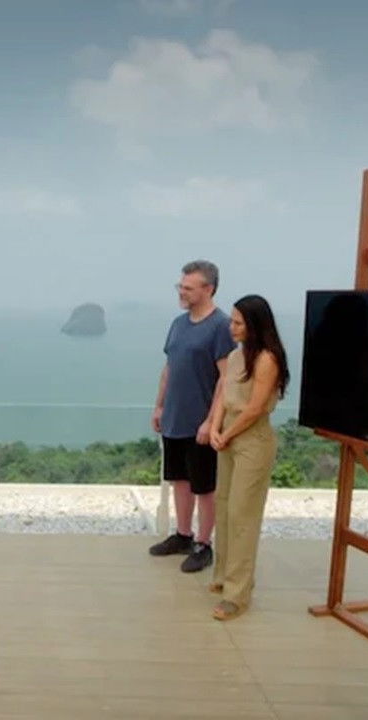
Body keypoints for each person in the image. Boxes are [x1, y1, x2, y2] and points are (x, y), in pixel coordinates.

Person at [149, 260, 235, 573]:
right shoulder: (178, 324)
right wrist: (159, 406)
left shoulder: (221, 326)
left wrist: (211, 421)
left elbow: (226, 378)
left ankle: (203, 543)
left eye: (188, 288)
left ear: (208, 289)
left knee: (204, 486)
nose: (181, 292)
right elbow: (170, 367)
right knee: (179, 480)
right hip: (175, 417)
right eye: (180, 286)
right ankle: (183, 535)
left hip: (202, 422)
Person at [207, 294, 288, 621]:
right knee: (224, 506)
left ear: (255, 324)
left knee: (243, 514)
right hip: (228, 433)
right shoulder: (235, 356)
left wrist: (227, 434)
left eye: (238, 322)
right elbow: (223, 396)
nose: (232, 327)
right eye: (232, 321)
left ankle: (237, 594)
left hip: (252, 439)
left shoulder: (267, 359)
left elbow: (255, 408)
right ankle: (223, 576)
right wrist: (215, 428)